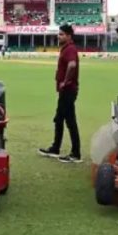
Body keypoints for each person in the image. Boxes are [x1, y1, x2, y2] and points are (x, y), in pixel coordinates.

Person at [38, 24, 81, 163]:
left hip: (68, 90)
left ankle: (68, 152)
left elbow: (72, 65)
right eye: (59, 34)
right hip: (66, 91)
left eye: (62, 34)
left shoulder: (69, 49)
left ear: (69, 36)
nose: (59, 36)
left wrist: (65, 81)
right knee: (66, 120)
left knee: (63, 120)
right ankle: (62, 149)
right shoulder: (67, 49)